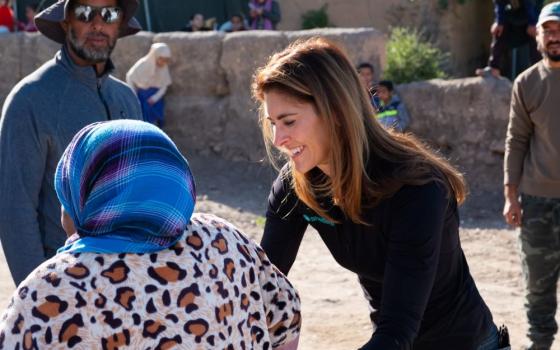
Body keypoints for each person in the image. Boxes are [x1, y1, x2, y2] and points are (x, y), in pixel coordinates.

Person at [252, 37, 502, 349]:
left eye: (288, 121)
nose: (278, 139)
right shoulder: (296, 184)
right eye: (272, 123)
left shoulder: (417, 189)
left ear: (337, 112)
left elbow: (397, 331)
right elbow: (261, 289)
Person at [0, 119, 302, 349]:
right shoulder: (226, 242)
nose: (63, 210)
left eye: (67, 195)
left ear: (89, 195)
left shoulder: (48, 292)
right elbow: (286, 315)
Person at [0, 0, 142, 286]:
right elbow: (15, 211)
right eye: (85, 13)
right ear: (66, 22)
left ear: (119, 24)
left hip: (132, 281)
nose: (98, 24)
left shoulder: (127, 98)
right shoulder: (30, 99)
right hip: (66, 284)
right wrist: (41, 297)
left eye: (110, 14)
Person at [503, 2, 560, 349]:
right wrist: (511, 196)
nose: (554, 37)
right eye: (548, 30)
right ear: (536, 34)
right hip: (538, 202)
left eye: (559, 30)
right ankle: (539, 344)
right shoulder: (526, 83)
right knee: (537, 287)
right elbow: (516, 140)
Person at [476, 0, 542, 78]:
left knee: (536, 35)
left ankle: (539, 70)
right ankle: (493, 68)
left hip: (533, 15)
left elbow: (531, 4)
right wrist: (499, 22)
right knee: (498, 30)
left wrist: (532, 22)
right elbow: (499, 3)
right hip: (515, 17)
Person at [126, 42, 172, 127]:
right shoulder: (143, 64)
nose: (163, 62)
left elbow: (164, 85)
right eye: (162, 59)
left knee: (157, 121)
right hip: (142, 98)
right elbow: (130, 76)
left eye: (166, 60)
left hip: (155, 100)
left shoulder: (163, 68)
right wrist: (133, 94)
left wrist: (155, 98)